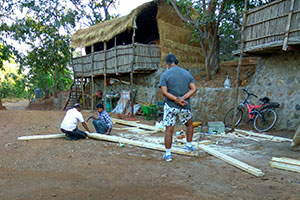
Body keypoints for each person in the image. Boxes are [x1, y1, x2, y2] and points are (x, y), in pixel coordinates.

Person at [159, 54, 197, 162]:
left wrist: (176, 99)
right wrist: (183, 98)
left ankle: (168, 154)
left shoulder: (165, 74)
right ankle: (189, 146)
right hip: (185, 105)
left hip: (171, 106)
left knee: (169, 130)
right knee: (189, 125)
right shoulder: (187, 73)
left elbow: (164, 92)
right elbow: (193, 88)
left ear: (168, 64)